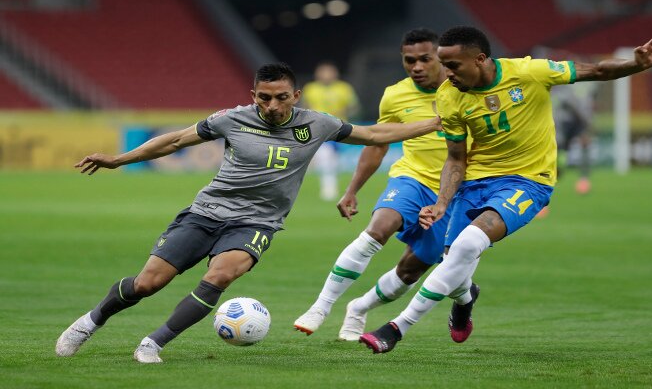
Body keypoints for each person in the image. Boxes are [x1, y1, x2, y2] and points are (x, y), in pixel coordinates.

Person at [55, 62, 442, 364]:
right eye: (263, 98)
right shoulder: (232, 118)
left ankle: (152, 344)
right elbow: (174, 140)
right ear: (253, 94)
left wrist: (435, 122)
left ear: (296, 95)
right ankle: (91, 322)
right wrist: (119, 160)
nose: (272, 106)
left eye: (280, 98)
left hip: (258, 222)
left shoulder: (318, 123)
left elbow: (374, 134)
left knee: (221, 275)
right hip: (206, 212)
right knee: (146, 284)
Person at [359, 27, 652, 353]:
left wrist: (636, 64)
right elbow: (456, 158)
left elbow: (597, 70)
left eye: (454, 65)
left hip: (528, 181)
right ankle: (465, 298)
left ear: (480, 59)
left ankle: (395, 328)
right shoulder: (448, 96)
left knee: (468, 245)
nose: (447, 73)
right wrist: (442, 203)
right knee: (454, 267)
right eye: (444, 65)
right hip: (474, 183)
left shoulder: (529, 72)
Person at [294, 28, 468, 342]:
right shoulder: (396, 94)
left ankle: (359, 307)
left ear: (440, 58)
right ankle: (320, 307)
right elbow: (377, 145)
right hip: (412, 178)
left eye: (424, 59)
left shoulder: (467, 91)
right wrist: (352, 190)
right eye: (409, 60)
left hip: (455, 194)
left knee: (409, 270)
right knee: (378, 228)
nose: (416, 66)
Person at [301, 61, 361, 200]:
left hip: (340, 128)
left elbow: (354, 107)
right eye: (323, 72)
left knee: (332, 159)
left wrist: (344, 112)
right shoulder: (311, 88)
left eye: (329, 72)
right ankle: (328, 187)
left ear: (335, 73)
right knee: (326, 155)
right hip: (318, 128)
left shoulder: (344, 88)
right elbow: (304, 107)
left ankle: (330, 184)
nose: (326, 75)